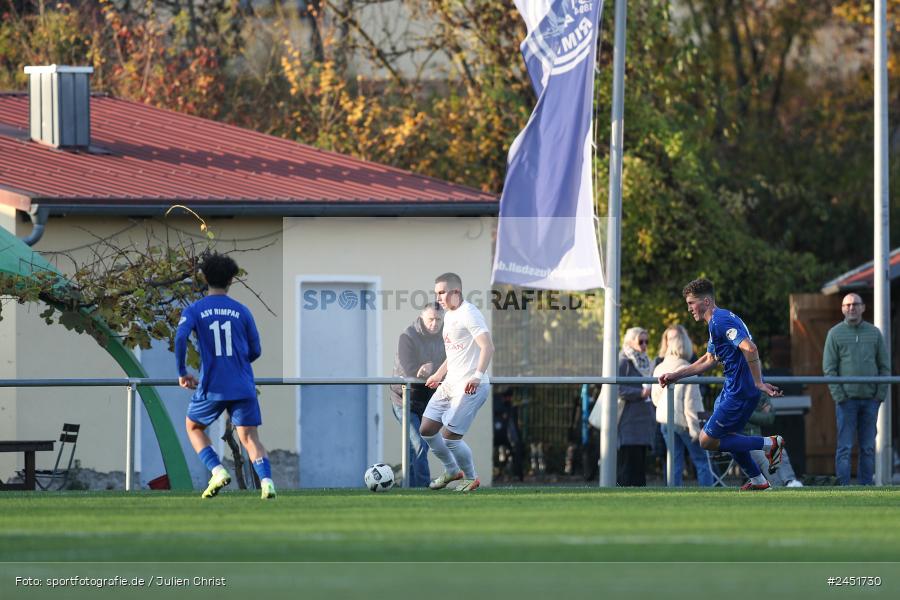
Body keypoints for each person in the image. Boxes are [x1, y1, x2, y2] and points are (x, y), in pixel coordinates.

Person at [658, 278, 785, 491]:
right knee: (728, 438)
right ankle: (758, 480)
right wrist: (676, 375)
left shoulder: (720, 321)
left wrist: (758, 382)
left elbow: (750, 348)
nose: (689, 308)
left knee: (706, 440)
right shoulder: (717, 322)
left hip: (740, 391)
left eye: (691, 303)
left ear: (706, 301)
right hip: (733, 389)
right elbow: (709, 359)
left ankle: (770, 444)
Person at [175, 252, 275, 500]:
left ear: (204, 278)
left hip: (213, 384)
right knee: (250, 438)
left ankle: (218, 471)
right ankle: (267, 483)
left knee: (193, 426)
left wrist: (182, 372)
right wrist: (237, 363)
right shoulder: (242, 311)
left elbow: (179, 338)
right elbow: (256, 351)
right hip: (242, 384)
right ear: (231, 280)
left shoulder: (195, 309)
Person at [422, 272, 494, 492]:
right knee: (426, 429)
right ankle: (452, 470)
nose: (439, 298)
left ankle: (471, 477)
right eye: (436, 293)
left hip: (470, 386)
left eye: (442, 292)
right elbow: (455, 352)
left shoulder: (469, 313)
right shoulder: (449, 316)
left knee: (450, 438)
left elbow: (487, 346)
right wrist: (439, 374)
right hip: (450, 384)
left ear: (456, 292)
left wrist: (477, 376)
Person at [822, 293, 890, 486]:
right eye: (847, 305)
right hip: (846, 402)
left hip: (870, 400)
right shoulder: (834, 334)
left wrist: (879, 395)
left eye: (855, 304)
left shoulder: (874, 333)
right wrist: (839, 396)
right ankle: (843, 488)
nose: (851, 308)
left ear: (863, 308)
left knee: (868, 447)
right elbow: (829, 368)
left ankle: (866, 487)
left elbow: (885, 367)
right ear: (843, 309)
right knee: (844, 447)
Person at [389, 303, 446, 487]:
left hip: (429, 401)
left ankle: (408, 486)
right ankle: (423, 487)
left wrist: (432, 368)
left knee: (416, 449)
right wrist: (427, 369)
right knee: (419, 444)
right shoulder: (408, 336)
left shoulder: (447, 335)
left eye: (438, 319)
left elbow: (451, 363)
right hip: (404, 400)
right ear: (422, 317)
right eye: (431, 319)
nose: (434, 324)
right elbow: (409, 369)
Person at [651, 325, 714, 486]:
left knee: (673, 460)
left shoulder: (659, 367)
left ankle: (672, 493)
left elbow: (655, 398)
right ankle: (708, 494)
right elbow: (691, 404)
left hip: (665, 420)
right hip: (685, 422)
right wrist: (696, 430)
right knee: (701, 460)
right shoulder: (688, 369)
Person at [616, 327, 656, 486]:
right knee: (628, 462)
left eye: (647, 341)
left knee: (640, 464)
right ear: (630, 342)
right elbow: (617, 389)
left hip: (644, 419)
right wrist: (640, 393)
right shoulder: (623, 361)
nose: (644, 345)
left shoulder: (646, 361)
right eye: (641, 341)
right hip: (629, 419)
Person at [746, 397, 803, 487]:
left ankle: (789, 481)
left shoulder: (760, 392)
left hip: (757, 440)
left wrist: (746, 414)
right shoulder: (729, 395)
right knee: (763, 455)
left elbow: (769, 418)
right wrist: (754, 413)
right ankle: (778, 486)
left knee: (777, 444)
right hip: (739, 443)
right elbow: (735, 418)